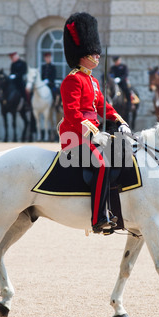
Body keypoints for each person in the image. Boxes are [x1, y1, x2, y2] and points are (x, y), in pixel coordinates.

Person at [59, 12, 131, 234]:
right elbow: (72, 112)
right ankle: (99, 218)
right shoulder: (72, 80)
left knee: (123, 154)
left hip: (92, 133)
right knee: (102, 165)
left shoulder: (93, 80)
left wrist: (121, 121)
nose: (97, 57)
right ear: (82, 55)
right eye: (93, 54)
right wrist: (92, 131)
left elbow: (103, 107)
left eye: (97, 54)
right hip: (76, 135)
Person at [109, 56, 132, 123]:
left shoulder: (124, 67)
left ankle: (129, 104)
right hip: (114, 83)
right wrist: (112, 79)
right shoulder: (112, 68)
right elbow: (110, 75)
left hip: (122, 83)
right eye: (115, 61)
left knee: (127, 91)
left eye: (117, 61)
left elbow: (125, 74)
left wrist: (120, 79)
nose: (116, 62)